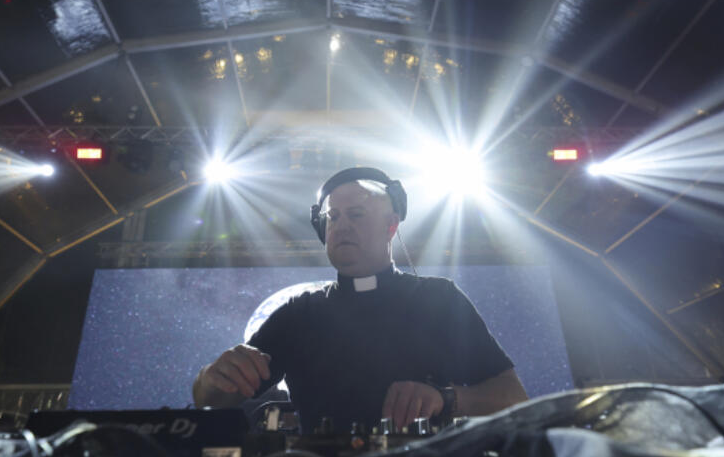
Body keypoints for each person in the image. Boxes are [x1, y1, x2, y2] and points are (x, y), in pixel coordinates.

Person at [192, 167, 528, 431]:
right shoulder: (298, 313)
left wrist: (446, 399)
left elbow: (513, 398)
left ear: (391, 226)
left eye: (356, 214)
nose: (340, 226)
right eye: (333, 217)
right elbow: (212, 399)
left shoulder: (439, 299)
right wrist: (212, 376)